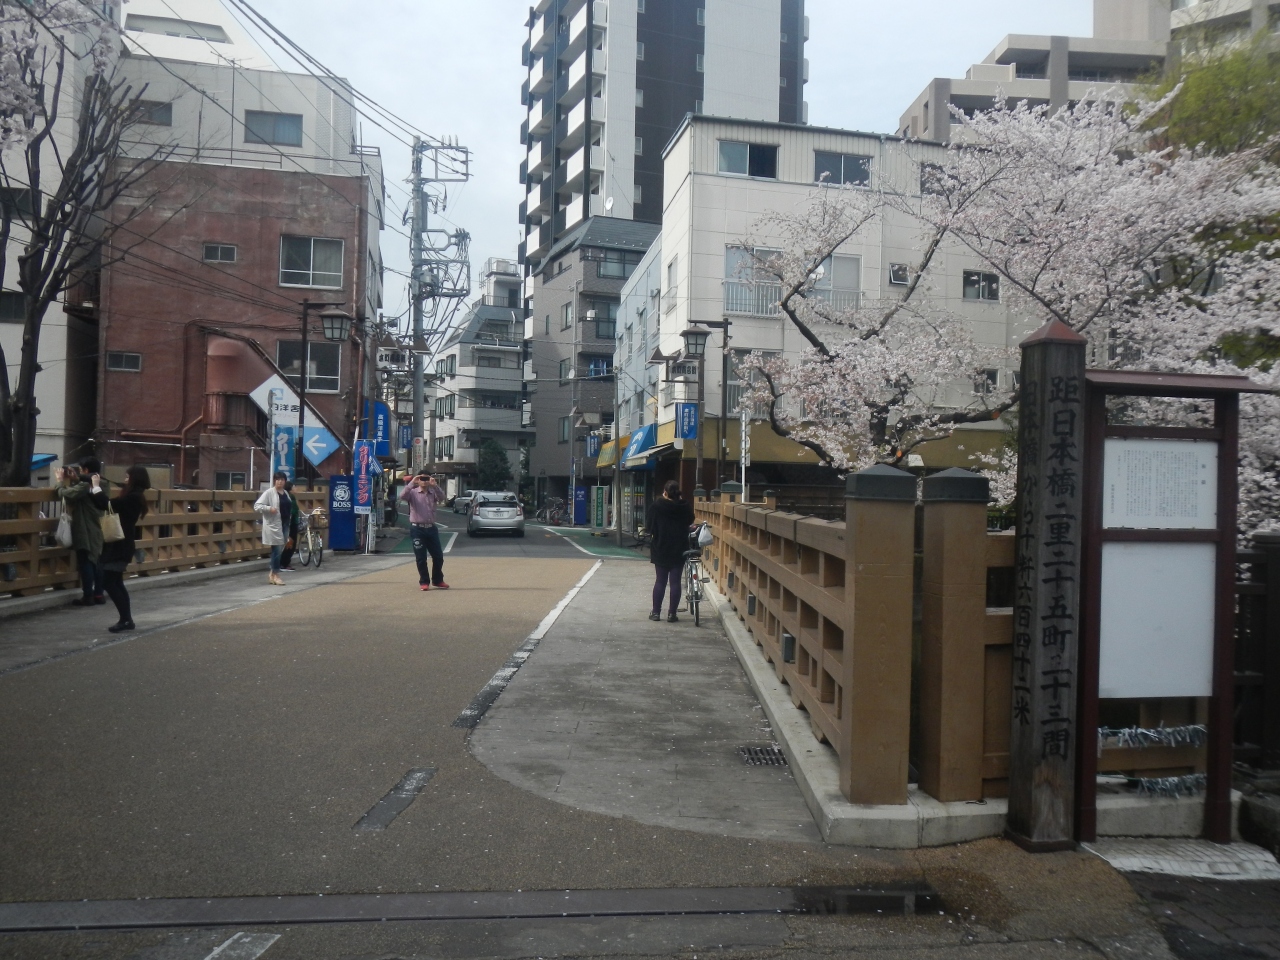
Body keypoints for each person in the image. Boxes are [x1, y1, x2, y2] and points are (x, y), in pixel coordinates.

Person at [100, 465, 151, 632]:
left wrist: (95, 487)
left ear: (135, 479)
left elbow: (106, 504)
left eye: (128, 477)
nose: (125, 480)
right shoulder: (135, 495)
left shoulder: (133, 497)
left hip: (120, 546)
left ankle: (126, 619)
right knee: (116, 582)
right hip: (122, 544)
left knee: (109, 581)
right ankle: (126, 620)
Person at [55, 461, 109, 605]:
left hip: (85, 526)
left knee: (86, 560)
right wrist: (75, 479)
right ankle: (99, 594)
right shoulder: (102, 483)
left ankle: (88, 596)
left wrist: (59, 482)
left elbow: (67, 494)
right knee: (97, 560)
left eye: (80, 470)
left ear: (86, 470)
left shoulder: (85, 485)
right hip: (99, 526)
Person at [646, 479, 695, 622]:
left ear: (665, 492)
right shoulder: (684, 506)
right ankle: (672, 614)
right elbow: (690, 520)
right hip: (679, 547)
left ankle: (656, 613)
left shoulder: (656, 506)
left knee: (660, 581)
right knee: (675, 582)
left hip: (660, 547)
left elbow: (649, 527)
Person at [400, 473, 449, 591]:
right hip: (417, 529)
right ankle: (424, 581)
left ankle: (438, 580)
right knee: (421, 557)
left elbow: (442, 498)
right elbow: (402, 496)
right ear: (418, 480)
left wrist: (435, 485)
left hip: (431, 528)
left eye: (426, 478)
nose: (424, 481)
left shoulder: (433, 493)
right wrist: (412, 482)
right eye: (422, 479)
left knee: (438, 556)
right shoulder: (413, 493)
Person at [254, 472, 289, 586]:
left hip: (284, 523)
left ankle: (272, 573)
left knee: (280, 549)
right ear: (274, 481)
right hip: (274, 524)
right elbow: (257, 506)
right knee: (277, 549)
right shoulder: (269, 493)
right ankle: (276, 574)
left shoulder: (286, 493)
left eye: (282, 479)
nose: (280, 482)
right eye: (278, 479)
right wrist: (269, 508)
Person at [278, 479, 299, 571]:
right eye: (294, 487)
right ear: (290, 489)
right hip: (290, 523)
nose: (296, 488)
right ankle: (284, 563)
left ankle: (283, 563)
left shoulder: (288, 496)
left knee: (288, 543)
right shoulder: (290, 498)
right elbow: (292, 512)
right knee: (290, 543)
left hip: (287, 523)